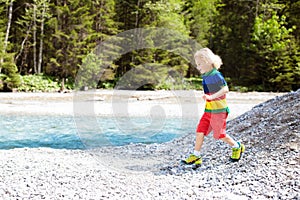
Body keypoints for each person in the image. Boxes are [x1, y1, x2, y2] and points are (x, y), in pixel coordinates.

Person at [183, 48, 245, 165]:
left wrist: (212, 97)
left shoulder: (216, 75)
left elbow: (225, 89)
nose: (198, 67)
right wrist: (208, 97)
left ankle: (237, 146)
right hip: (208, 111)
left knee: (220, 135)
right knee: (200, 131)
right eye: (197, 64)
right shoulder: (206, 76)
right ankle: (196, 155)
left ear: (207, 61)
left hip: (219, 111)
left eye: (200, 64)